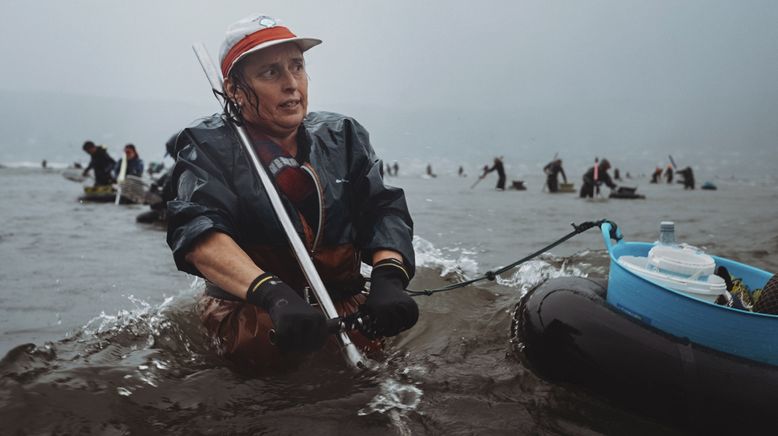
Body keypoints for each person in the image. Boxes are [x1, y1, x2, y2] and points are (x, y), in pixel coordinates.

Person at [166, 14, 418, 368]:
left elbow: (383, 208)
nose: (291, 84)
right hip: (256, 311)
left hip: (345, 303)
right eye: (270, 72)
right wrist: (273, 294)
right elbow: (197, 233)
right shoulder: (207, 145)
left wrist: (389, 277)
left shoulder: (343, 135)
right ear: (234, 90)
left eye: (296, 67)